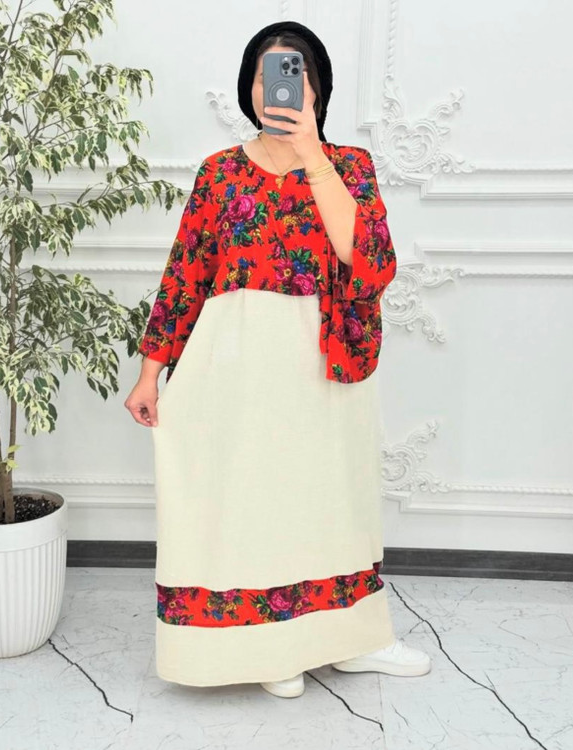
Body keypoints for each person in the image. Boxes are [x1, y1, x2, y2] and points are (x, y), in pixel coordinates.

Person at [124, 20, 431, 699]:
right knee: (257, 500)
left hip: (328, 358)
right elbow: (186, 274)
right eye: (266, 75)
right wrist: (150, 371)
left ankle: (353, 639)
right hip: (238, 362)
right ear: (250, 87)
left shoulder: (349, 166)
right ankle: (272, 648)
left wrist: (312, 153)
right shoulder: (219, 173)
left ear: (316, 87)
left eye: (294, 73)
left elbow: (370, 264)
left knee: (335, 497)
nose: (278, 87)